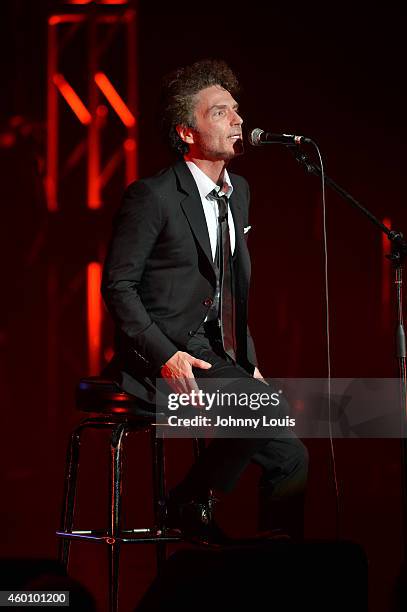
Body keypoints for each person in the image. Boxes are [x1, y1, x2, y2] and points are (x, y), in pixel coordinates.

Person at [102, 59, 308, 544]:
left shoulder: (239, 195)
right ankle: (188, 501)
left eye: (236, 110)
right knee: (263, 408)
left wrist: (247, 360)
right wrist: (166, 357)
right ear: (186, 132)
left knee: (292, 457)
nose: (238, 120)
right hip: (160, 353)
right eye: (220, 113)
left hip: (214, 352)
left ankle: (282, 575)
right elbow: (118, 288)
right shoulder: (152, 196)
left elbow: (232, 292)